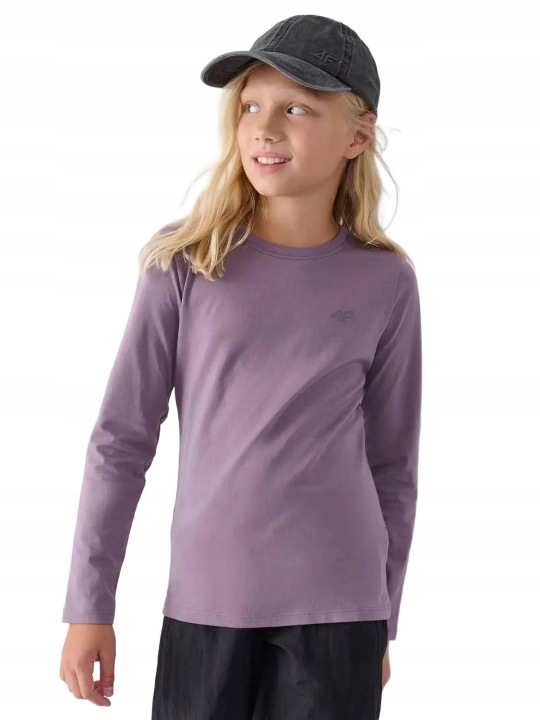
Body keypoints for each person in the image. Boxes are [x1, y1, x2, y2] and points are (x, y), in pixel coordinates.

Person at [59, 13, 422, 720]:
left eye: (296, 109)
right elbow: (120, 440)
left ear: (357, 135)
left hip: (340, 611)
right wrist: (88, 605)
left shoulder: (386, 282)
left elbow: (393, 467)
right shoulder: (184, 263)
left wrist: (383, 613)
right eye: (251, 106)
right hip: (208, 605)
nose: (264, 129)